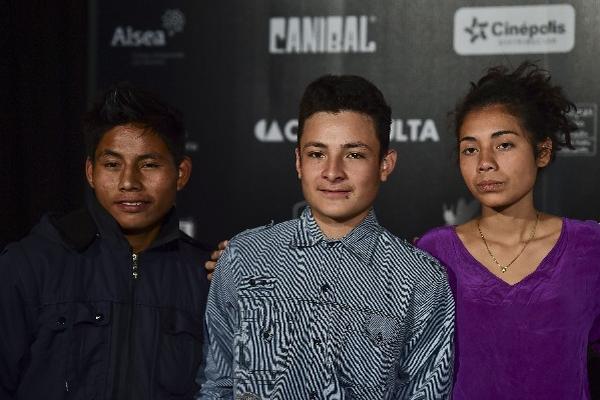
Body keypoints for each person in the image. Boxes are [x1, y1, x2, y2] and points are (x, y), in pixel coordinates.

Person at [199, 75, 455, 399]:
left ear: (385, 164)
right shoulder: (244, 257)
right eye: (317, 154)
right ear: (298, 162)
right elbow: (217, 385)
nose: (332, 172)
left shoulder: (421, 279)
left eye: (354, 154)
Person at [0, 82, 210, 399]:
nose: (129, 182)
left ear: (181, 173)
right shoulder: (29, 264)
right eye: (112, 164)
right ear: (90, 172)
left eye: (149, 164)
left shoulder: (208, 277)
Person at [416, 61, 600, 399]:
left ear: (542, 152)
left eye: (504, 145)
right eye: (470, 149)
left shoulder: (590, 247)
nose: (485, 162)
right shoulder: (434, 252)